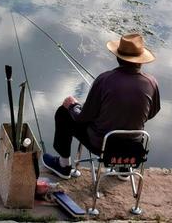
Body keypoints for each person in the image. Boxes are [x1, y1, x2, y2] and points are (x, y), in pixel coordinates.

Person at [42, 33, 160, 179]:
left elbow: (83, 117)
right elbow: (151, 113)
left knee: (63, 112)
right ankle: (124, 168)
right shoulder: (152, 83)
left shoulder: (104, 80)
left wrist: (72, 106)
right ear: (141, 60)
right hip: (133, 149)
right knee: (128, 119)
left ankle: (63, 165)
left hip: (103, 147)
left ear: (118, 57)